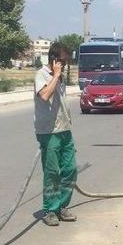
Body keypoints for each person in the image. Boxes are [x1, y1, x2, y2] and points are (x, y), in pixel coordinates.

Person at [34, 43, 78, 226]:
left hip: (65, 129)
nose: (65, 65)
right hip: (49, 131)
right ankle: (50, 210)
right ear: (54, 60)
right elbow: (44, 95)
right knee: (52, 172)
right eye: (62, 62)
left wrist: (59, 76)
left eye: (66, 62)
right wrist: (56, 75)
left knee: (70, 169)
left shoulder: (59, 78)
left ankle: (62, 206)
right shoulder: (42, 74)